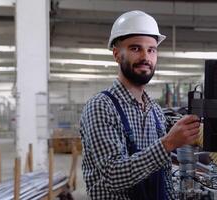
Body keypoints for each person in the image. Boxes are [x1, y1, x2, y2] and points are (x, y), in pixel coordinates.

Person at [80, 10, 200, 200]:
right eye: (136, 48)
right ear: (117, 54)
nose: (146, 57)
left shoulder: (155, 111)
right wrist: (168, 143)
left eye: (151, 49)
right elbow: (113, 175)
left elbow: (165, 176)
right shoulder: (101, 106)